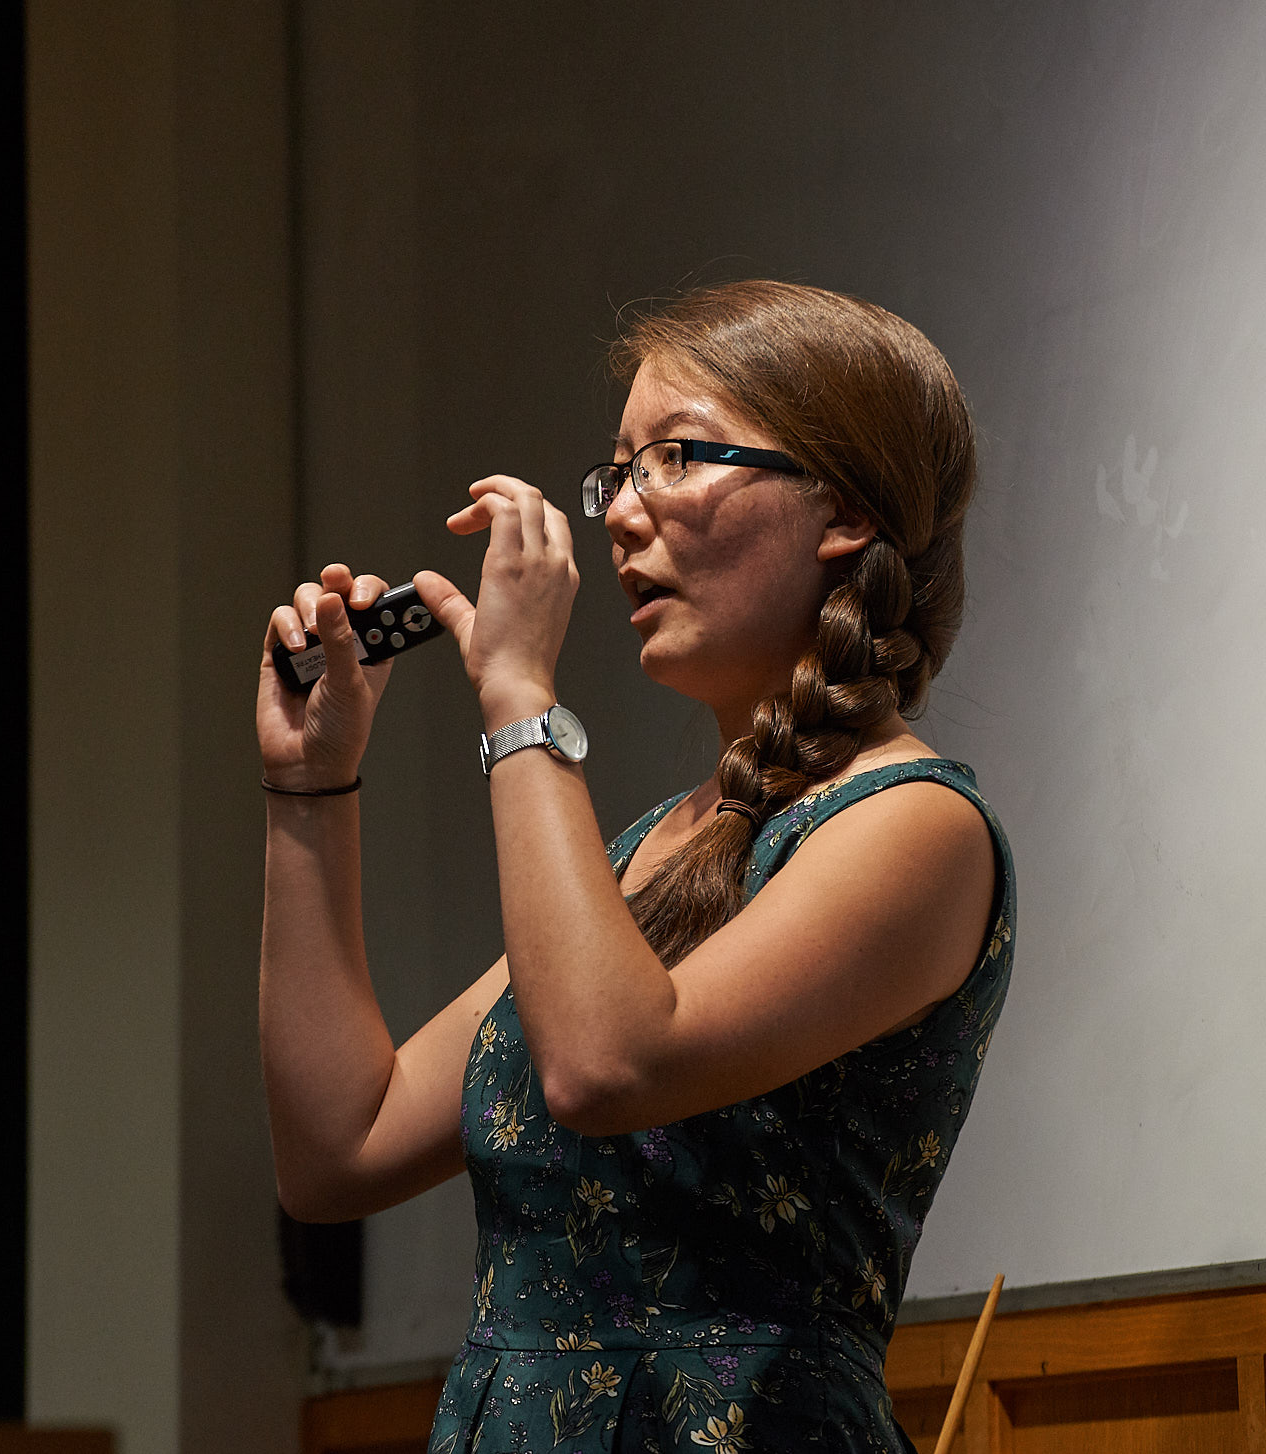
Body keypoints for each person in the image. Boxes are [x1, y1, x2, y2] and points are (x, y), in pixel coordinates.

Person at [256, 280, 1015, 1453]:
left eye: (675, 455)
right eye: (620, 470)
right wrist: (313, 786)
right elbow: (337, 1147)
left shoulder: (913, 824)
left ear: (844, 510)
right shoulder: (646, 852)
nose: (618, 512)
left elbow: (609, 1060)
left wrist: (519, 696)